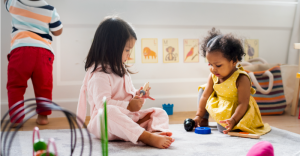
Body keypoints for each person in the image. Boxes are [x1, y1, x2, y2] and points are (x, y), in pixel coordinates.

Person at [77, 16, 174, 149]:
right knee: (108, 111)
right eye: (127, 50)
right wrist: (128, 106)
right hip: (106, 125)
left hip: (127, 121)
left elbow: (129, 96)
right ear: (111, 48)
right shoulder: (99, 76)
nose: (129, 55)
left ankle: (156, 132)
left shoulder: (122, 71)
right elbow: (102, 106)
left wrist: (139, 96)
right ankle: (146, 136)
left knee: (159, 112)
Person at [193, 28, 271, 135]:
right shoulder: (213, 76)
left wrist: (233, 120)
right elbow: (205, 96)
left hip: (236, 110)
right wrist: (198, 115)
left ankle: (231, 122)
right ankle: (203, 119)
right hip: (221, 103)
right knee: (203, 90)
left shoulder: (241, 78)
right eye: (210, 64)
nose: (213, 69)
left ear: (234, 60)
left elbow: (243, 104)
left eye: (218, 65)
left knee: (223, 129)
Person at [5, 0, 63, 126]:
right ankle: (43, 117)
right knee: (44, 86)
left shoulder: (14, 3)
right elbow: (58, 31)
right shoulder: (49, 9)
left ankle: (16, 120)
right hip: (43, 52)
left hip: (20, 50)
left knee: (15, 87)